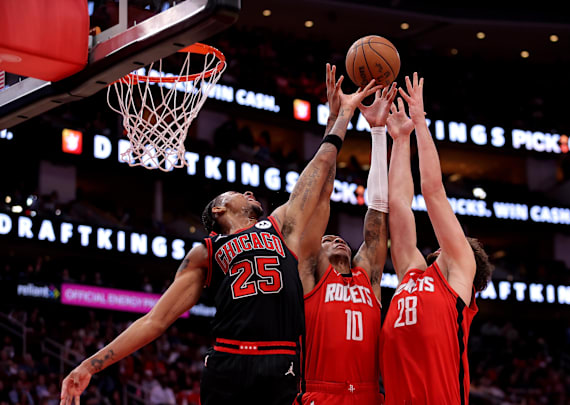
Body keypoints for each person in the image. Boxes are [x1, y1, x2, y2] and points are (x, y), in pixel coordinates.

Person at [59, 64, 381, 405]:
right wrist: (89, 367)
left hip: (280, 363)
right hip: (228, 361)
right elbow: (156, 320)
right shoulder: (206, 253)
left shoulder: (279, 227)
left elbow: (319, 177)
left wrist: (338, 117)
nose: (250, 193)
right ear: (218, 210)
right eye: (239, 193)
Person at [380, 73, 494, 405]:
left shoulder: (459, 275)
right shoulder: (412, 275)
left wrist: (421, 123)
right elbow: (399, 205)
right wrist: (400, 139)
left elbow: (433, 192)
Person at [297, 80, 397, 405]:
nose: (336, 238)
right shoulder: (312, 274)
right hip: (319, 393)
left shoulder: (367, 276)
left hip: (369, 394)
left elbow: (378, 212)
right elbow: (319, 197)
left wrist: (378, 133)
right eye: (327, 239)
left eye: (338, 237)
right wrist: (336, 119)